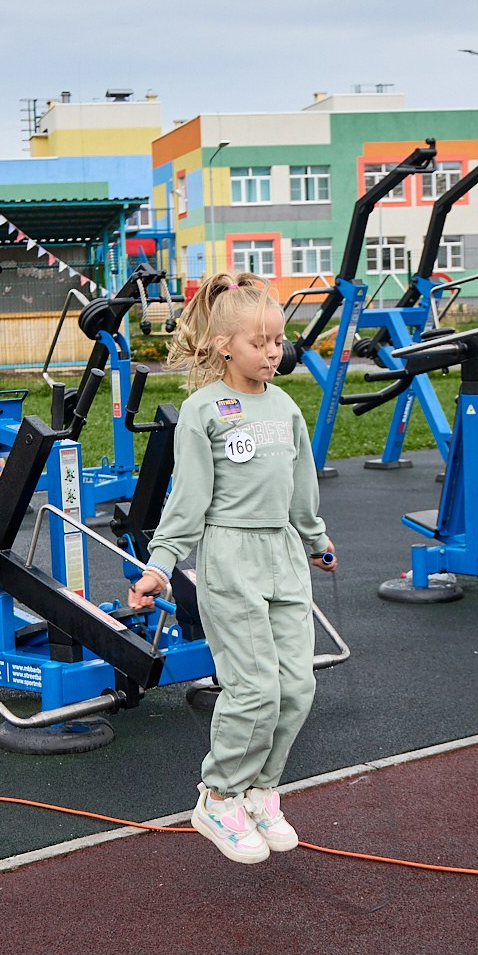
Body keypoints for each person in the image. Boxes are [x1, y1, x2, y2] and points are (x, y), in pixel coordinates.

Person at [126, 273, 334, 864]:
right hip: (231, 556)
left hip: (284, 555)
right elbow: (187, 501)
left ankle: (262, 790)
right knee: (255, 688)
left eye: (278, 341)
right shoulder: (203, 412)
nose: (274, 351)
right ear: (224, 346)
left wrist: (315, 540)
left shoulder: (286, 404)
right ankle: (218, 796)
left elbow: (301, 484)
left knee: (297, 684)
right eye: (260, 342)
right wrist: (161, 565)